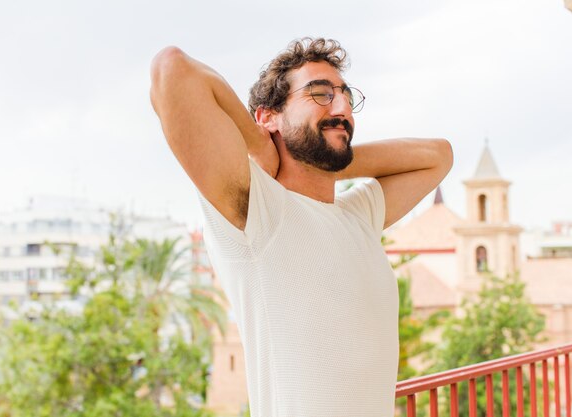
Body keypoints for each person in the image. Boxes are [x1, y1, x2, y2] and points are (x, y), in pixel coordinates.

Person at [150, 37, 453, 417]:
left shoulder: (358, 215)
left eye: (345, 96)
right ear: (268, 117)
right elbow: (171, 69)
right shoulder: (257, 212)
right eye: (321, 94)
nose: (342, 108)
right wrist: (257, 145)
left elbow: (438, 156)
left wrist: (321, 156)